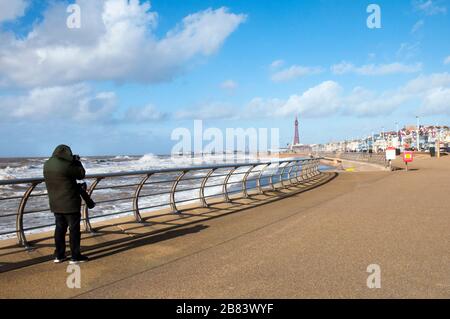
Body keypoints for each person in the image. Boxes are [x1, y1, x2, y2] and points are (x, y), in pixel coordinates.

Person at [43, 145, 89, 264]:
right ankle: (75, 256)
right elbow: (81, 174)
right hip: (70, 202)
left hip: (55, 202)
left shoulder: (47, 164)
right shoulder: (68, 165)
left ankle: (59, 255)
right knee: (74, 230)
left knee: (59, 229)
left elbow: (64, 179)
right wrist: (77, 162)